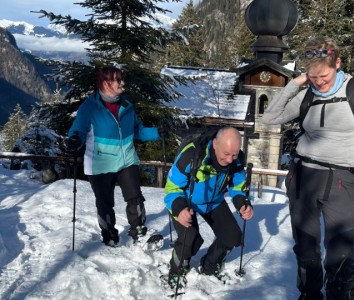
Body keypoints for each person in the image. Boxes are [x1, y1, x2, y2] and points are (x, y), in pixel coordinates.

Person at [262, 37, 354, 300]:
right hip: (304, 177)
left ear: (337, 63)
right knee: (305, 248)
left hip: (342, 180)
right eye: (312, 76)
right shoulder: (306, 93)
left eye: (324, 76)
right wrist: (295, 84)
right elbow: (269, 117)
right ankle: (309, 295)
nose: (319, 82)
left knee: (340, 252)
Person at [67, 65, 160, 247]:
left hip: (126, 159)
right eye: (118, 80)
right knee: (104, 202)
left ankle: (139, 232)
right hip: (100, 162)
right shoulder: (90, 108)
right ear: (106, 83)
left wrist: (157, 132)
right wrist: (75, 140)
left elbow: (137, 131)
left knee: (135, 197)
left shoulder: (127, 106)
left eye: (121, 79)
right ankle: (109, 234)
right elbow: (78, 130)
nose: (122, 83)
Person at [164, 127, 254, 288]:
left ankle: (209, 265)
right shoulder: (192, 154)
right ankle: (177, 269)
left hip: (214, 201)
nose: (230, 160)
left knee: (232, 236)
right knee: (190, 238)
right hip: (187, 201)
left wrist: (242, 204)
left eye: (234, 155)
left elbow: (238, 186)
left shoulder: (236, 160)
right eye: (226, 154)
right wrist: (179, 209)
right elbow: (172, 188)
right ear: (214, 144)